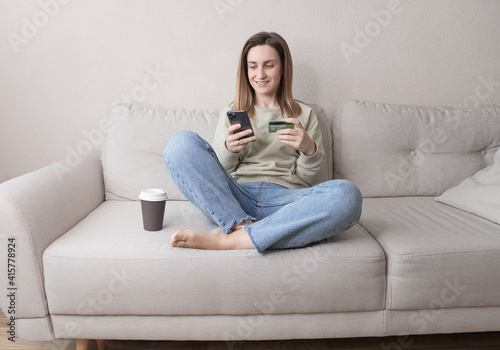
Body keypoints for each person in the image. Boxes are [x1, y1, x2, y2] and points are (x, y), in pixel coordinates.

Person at [163, 32, 362, 254]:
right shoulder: (231, 112)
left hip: (286, 202)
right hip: (235, 199)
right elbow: (214, 178)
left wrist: (308, 149)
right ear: (245, 70)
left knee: (347, 194)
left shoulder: (305, 114)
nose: (260, 74)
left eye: (269, 65)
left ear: (283, 68)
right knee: (179, 143)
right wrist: (229, 150)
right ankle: (244, 224)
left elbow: (311, 182)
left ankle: (232, 239)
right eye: (253, 66)